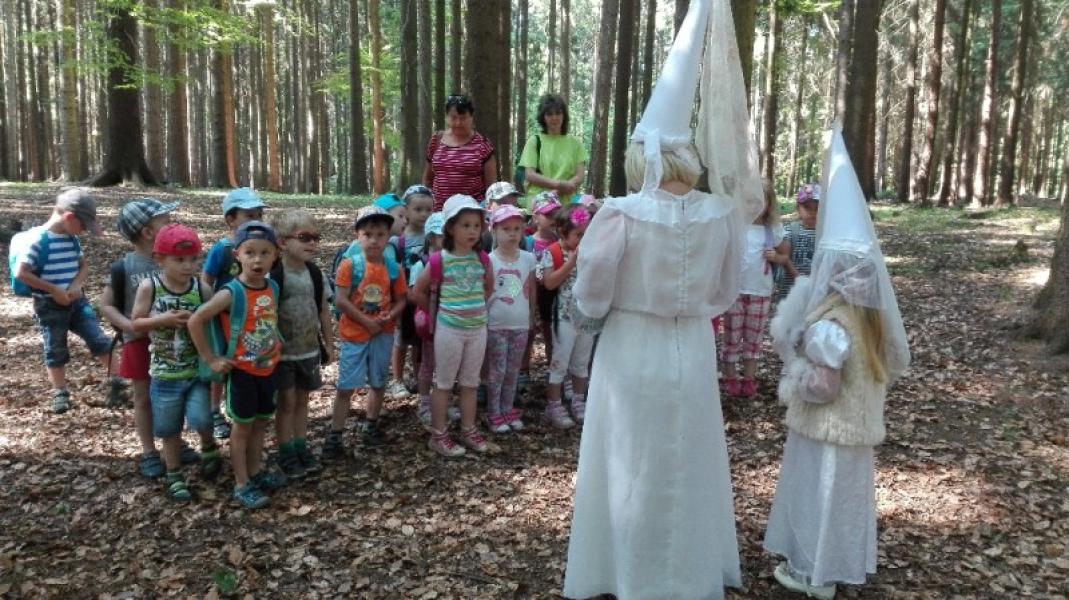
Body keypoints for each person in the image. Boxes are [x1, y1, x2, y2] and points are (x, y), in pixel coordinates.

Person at [563, 0, 764, 597]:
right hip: (693, 342)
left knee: (630, 456)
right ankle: (684, 571)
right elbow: (725, 289)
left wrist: (588, 318)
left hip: (630, 343)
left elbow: (593, 287)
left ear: (644, 154)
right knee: (687, 452)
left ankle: (627, 570)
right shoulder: (721, 214)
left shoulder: (621, 213)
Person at [763, 126, 910, 600]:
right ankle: (840, 564)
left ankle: (816, 573)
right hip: (857, 430)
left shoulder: (830, 326)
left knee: (819, 494)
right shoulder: (870, 320)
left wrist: (795, 377)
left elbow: (824, 387)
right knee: (845, 498)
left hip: (825, 429)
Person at [189, 221, 286, 510]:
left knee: (261, 423)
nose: (257, 260)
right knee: (242, 428)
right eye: (250, 252)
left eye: (265, 253)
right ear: (237, 255)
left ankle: (255, 473)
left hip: (268, 369)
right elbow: (196, 320)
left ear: (275, 255)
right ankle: (241, 483)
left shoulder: (273, 286)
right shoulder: (230, 293)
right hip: (242, 372)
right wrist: (211, 359)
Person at [130, 224, 221, 501]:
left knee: (202, 417)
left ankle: (209, 446)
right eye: (179, 260)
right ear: (160, 259)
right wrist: (163, 320)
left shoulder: (201, 289)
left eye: (193, 259)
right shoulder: (150, 287)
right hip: (164, 376)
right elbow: (136, 323)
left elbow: (214, 323)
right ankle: (174, 474)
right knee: (169, 429)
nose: (188, 266)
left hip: (196, 372)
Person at [100, 199, 182, 478]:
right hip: (139, 343)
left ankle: (175, 443)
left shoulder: (174, 260)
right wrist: (129, 326)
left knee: (173, 393)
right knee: (143, 397)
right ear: (148, 232)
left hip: (172, 342)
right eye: (166, 222)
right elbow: (106, 304)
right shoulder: (126, 267)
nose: (173, 225)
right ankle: (149, 451)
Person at [12, 189, 115, 414]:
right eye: (83, 225)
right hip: (49, 306)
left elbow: (83, 266)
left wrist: (76, 285)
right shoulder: (38, 241)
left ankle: (118, 383)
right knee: (55, 348)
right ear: (69, 217)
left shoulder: (72, 239)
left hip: (77, 303)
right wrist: (54, 290)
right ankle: (60, 392)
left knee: (99, 339)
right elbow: (22, 273)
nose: (85, 230)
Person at [411, 195, 494, 457]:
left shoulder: (482, 259)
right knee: (444, 383)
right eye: (465, 225)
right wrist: (439, 315)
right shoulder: (439, 260)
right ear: (450, 228)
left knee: (470, 383)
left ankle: (469, 429)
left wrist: (473, 308)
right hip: (449, 330)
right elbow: (418, 292)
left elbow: (488, 288)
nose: (472, 231)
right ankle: (439, 435)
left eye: (476, 225)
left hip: (477, 329)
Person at [325, 206, 409, 457]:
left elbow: (401, 300)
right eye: (368, 234)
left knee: (378, 380)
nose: (374, 240)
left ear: (388, 236)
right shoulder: (350, 265)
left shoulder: (393, 268)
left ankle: (371, 425)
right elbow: (341, 300)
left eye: (380, 234)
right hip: (355, 335)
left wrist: (389, 316)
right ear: (358, 236)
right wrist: (366, 321)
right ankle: (335, 436)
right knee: (346, 386)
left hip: (383, 334)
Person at [268, 210, 334, 480]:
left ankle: (300, 445)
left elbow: (323, 311)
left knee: (303, 400)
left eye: (316, 238)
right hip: (282, 355)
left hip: (308, 350)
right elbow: (266, 314)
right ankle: (286, 451)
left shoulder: (315, 274)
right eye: (305, 237)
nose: (312, 243)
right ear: (283, 242)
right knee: (287, 402)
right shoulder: (275, 276)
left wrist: (329, 343)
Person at [201, 187, 268, 440]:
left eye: (259, 215)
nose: (256, 220)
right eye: (249, 215)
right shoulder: (223, 248)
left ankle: (245, 408)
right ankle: (214, 410)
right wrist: (212, 306)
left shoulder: (261, 246)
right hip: (225, 317)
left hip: (253, 316)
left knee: (248, 359)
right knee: (222, 362)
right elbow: (207, 279)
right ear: (231, 219)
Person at [720, 183, 789, 398]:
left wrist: (776, 257)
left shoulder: (772, 230)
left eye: (760, 201)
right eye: (750, 201)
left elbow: (785, 254)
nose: (754, 205)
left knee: (754, 336)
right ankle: (730, 377)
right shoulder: (736, 226)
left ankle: (749, 378)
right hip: (735, 291)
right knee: (732, 335)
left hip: (760, 291)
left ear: (769, 204)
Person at [536, 204, 592, 428]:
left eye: (587, 234)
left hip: (587, 316)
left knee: (581, 362)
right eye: (579, 235)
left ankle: (578, 401)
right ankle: (554, 404)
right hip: (564, 317)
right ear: (562, 232)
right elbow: (549, 282)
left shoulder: (591, 252)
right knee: (560, 362)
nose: (584, 240)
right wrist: (571, 262)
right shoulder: (553, 252)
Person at [484, 205, 537, 433]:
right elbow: (485, 292)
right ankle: (493, 411)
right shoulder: (489, 260)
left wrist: (532, 315)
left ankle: (507, 408)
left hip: (520, 324)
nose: (512, 234)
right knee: (497, 370)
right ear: (494, 230)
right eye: (506, 229)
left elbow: (531, 289)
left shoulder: (528, 259)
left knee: (513, 370)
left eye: (517, 228)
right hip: (496, 324)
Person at [388, 185, 434, 399]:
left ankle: (418, 377)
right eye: (418, 209)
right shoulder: (398, 241)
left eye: (428, 210)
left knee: (420, 338)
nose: (423, 214)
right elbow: (391, 271)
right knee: (400, 339)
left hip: (423, 297)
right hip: (403, 298)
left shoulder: (432, 238)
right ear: (405, 210)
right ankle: (397, 380)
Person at [423, 94, 497, 210]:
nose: (458, 123)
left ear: (471, 118)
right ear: (447, 117)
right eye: (453, 118)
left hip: (471, 213)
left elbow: (491, 186)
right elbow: (427, 179)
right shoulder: (436, 140)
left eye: (463, 118)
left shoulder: (483, 144)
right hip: (439, 213)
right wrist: (426, 205)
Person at [518, 93, 588, 198]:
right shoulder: (534, 141)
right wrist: (558, 185)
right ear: (543, 117)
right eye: (549, 114)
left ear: (564, 115)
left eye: (558, 113)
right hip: (539, 201)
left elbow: (580, 176)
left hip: (567, 202)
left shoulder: (575, 143)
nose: (554, 117)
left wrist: (559, 191)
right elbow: (530, 175)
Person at [776, 182, 820, 299]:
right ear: (798, 208)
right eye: (807, 207)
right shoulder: (790, 230)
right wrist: (800, 281)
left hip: (815, 291)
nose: (812, 212)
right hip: (790, 291)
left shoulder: (823, 234)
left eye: (817, 208)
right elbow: (785, 259)